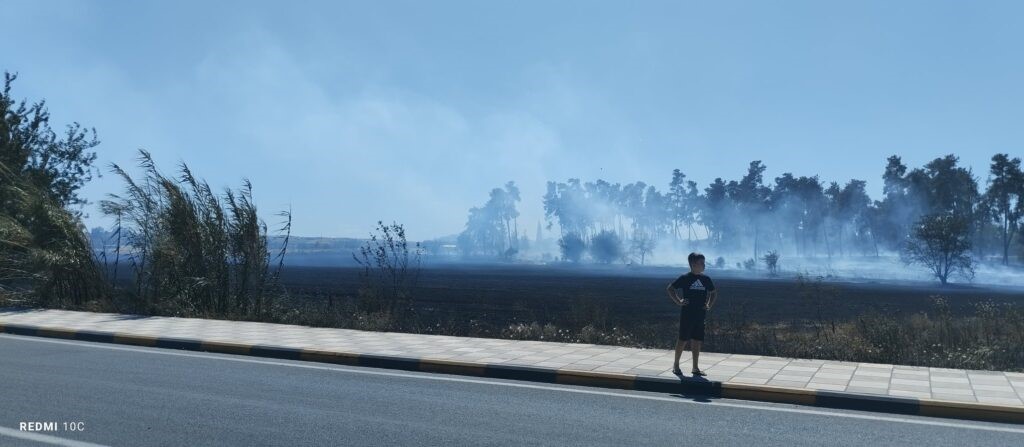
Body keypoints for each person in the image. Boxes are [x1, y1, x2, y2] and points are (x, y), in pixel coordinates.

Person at [666, 252, 717, 377]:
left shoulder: (706, 279)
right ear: (693, 264)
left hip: (700, 315)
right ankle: (676, 365)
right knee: (682, 340)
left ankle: (695, 368)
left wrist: (709, 304)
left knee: (697, 341)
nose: (704, 265)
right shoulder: (685, 278)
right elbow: (670, 288)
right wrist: (679, 301)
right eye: (701, 263)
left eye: (704, 263)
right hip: (687, 315)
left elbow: (714, 292)